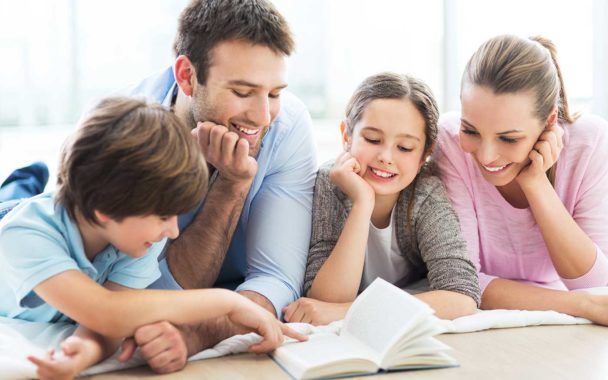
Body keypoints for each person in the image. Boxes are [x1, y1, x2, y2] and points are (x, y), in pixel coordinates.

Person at [0, 97, 305, 380]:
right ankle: (24, 178)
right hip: (12, 217)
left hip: (70, 207)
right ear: (105, 208)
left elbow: (110, 323)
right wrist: (227, 302)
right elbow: (105, 310)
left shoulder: (133, 239)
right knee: (14, 196)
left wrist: (85, 351)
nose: (173, 232)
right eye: (162, 216)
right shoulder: (24, 235)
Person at [117, 0, 317, 373]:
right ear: (188, 76)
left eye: (274, 93)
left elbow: (276, 278)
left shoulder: (287, 124)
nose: (262, 117)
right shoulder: (125, 134)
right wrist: (233, 184)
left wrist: (197, 335)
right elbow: (153, 297)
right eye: (242, 92)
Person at [433, 34, 608, 324]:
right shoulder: (449, 141)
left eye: (509, 138)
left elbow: (597, 285)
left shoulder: (591, 143)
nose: (487, 156)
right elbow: (462, 281)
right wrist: (582, 306)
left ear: (550, 121)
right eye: (471, 131)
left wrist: (536, 184)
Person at [282, 73, 480, 326]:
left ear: (425, 155)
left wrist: (349, 312)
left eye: (405, 148)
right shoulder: (330, 183)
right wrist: (362, 204)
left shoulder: (426, 194)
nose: (386, 156)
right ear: (346, 135)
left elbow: (461, 295)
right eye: (373, 140)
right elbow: (326, 299)